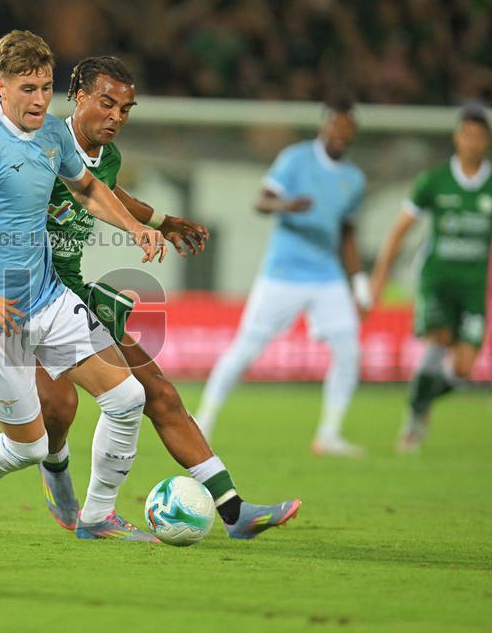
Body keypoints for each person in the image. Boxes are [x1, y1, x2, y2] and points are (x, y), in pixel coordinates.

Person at [0, 30, 165, 542]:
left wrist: (134, 226)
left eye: (46, 87)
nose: (40, 100)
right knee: (28, 447)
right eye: (28, 88)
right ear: (1, 86)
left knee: (127, 397)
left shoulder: (52, 135)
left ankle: (97, 516)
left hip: (47, 299)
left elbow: (86, 187)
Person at [36, 55, 300, 539]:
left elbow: (105, 191)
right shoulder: (42, 143)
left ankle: (234, 511)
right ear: (79, 96)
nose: (116, 117)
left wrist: (162, 221)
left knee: (158, 392)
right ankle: (54, 467)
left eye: (125, 109)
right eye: (106, 104)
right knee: (59, 410)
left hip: (74, 291)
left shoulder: (107, 158)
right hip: (33, 296)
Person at [194, 98, 371, 457]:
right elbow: (261, 201)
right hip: (284, 272)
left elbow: (347, 233)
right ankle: (202, 421)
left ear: (353, 133)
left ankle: (329, 434)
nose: (340, 134)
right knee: (246, 347)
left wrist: (359, 280)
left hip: (327, 274)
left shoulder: (354, 179)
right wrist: (285, 206)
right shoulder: (296, 159)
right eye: (335, 126)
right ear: (324, 126)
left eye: (347, 129)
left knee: (349, 349)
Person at [371, 104, 491, 452]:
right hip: (436, 280)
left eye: (478, 135)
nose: (472, 141)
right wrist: (380, 277)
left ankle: (419, 401)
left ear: (486, 140)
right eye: (466, 134)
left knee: (463, 369)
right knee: (438, 340)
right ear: (457, 138)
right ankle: (414, 421)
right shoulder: (434, 181)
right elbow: (399, 231)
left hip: (472, 285)